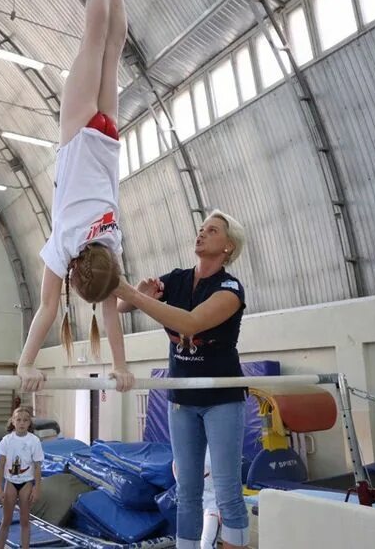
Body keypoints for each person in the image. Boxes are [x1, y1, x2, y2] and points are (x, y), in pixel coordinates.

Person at [16, 0, 133, 395]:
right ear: (76, 276)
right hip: (80, 136)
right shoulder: (65, 247)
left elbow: (109, 310)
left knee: (113, 51)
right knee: (93, 39)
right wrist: (25, 362)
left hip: (107, 141)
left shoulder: (112, 242)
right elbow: (47, 309)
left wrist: (122, 367)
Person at [115, 210, 249, 549]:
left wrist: (136, 297)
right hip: (182, 400)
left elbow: (190, 324)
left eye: (212, 230)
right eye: (201, 228)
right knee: (187, 492)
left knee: (226, 492)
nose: (201, 234)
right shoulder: (175, 280)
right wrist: (137, 294)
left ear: (228, 247)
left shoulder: (230, 289)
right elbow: (120, 306)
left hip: (222, 398)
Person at [0, 406, 42, 549]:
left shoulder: (34, 441)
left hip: (26, 483)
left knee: (25, 521)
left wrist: (36, 488)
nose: (22, 423)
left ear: (29, 423)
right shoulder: (7, 440)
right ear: (13, 422)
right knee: (6, 520)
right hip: (10, 482)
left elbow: (38, 467)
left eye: (25, 420)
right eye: (19, 420)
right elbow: (1, 466)